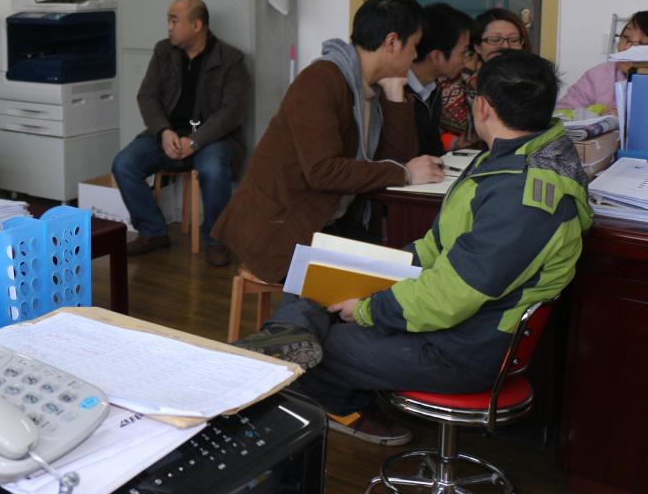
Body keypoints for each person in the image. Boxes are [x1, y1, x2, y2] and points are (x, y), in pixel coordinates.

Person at [234, 51, 590, 445]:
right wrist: (374, 271)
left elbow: (453, 296)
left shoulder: (525, 196)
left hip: (462, 349)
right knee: (317, 276)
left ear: (483, 107)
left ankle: (328, 396)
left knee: (326, 343)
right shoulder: (509, 157)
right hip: (456, 323)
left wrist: (369, 308)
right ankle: (285, 337)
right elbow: (439, 247)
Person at [212, 0, 444, 284]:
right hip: (283, 232)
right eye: (414, 46)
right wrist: (405, 174)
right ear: (392, 43)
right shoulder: (320, 80)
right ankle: (303, 312)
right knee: (387, 285)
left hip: (330, 223)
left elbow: (395, 161)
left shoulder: (372, 88)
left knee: (407, 272)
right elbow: (323, 171)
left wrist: (396, 95)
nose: (414, 56)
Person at [111, 0, 248, 266]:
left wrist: (195, 141)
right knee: (124, 164)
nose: (169, 27)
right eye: (169, 20)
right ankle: (153, 232)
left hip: (211, 138)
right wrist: (163, 131)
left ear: (197, 25)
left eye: (174, 21)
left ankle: (215, 241)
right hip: (169, 134)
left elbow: (232, 111)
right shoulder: (164, 51)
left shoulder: (230, 59)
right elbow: (147, 96)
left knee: (214, 170)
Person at [438, 7, 530, 147]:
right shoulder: (455, 79)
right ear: (477, 47)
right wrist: (453, 143)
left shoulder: (534, 81)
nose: (506, 46)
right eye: (495, 40)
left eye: (514, 40)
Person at [407, 3, 475, 156]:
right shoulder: (396, 94)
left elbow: (433, 148)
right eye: (463, 53)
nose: (465, 62)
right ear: (437, 56)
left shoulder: (432, 89)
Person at [556, 11, 648, 112]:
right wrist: (598, 113)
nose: (626, 49)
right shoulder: (598, 75)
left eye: (642, 44)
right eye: (626, 37)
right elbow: (561, 112)